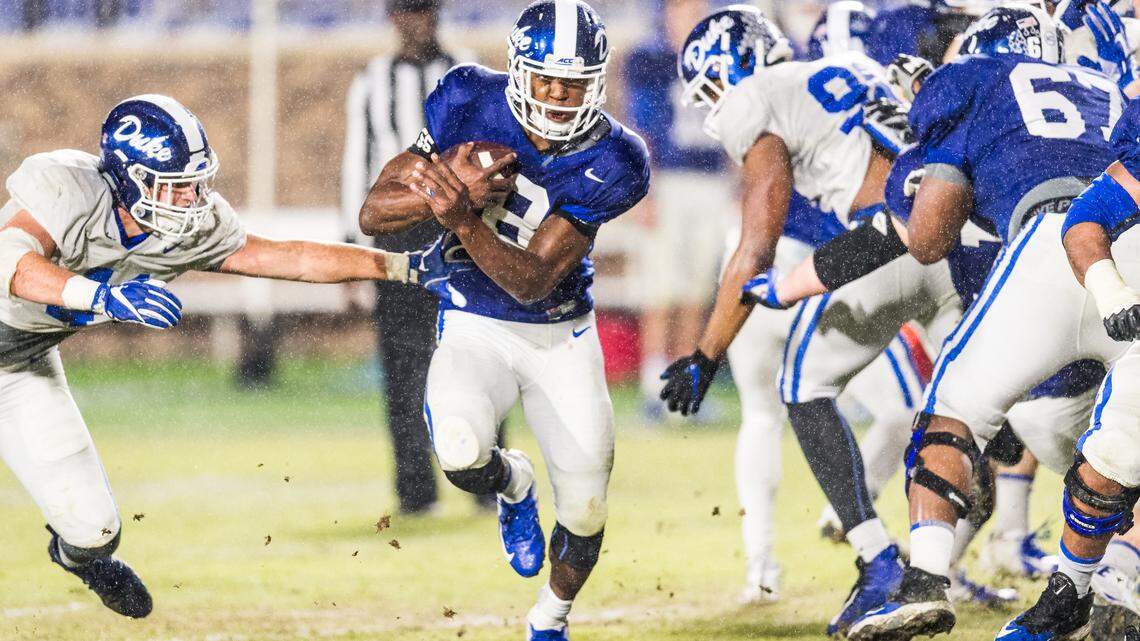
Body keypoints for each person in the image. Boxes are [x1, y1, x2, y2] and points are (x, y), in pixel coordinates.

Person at [0, 94, 445, 618]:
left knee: (95, 532)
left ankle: (79, 561)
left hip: (17, 367)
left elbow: (290, 258)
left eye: (195, 182)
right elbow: (9, 259)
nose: (191, 200)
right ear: (127, 177)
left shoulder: (187, 229)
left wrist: (403, 266)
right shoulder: (68, 186)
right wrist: (97, 295)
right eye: (175, 185)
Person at [795, 5, 1122, 639]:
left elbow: (923, 238)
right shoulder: (1107, 89)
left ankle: (924, 581)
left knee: (950, 415)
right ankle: (1112, 586)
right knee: (1122, 454)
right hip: (1127, 255)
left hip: (1052, 250)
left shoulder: (971, 83)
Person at [664, 5, 962, 634]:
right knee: (977, 404)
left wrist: (705, 353)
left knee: (801, 388)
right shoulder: (851, 66)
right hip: (956, 235)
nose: (715, 107)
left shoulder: (758, 98)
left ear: (736, 67)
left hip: (889, 242)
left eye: (713, 87)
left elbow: (757, 244)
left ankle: (879, 564)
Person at [356, 2, 650, 639]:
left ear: (596, 81)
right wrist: (439, 194)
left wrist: (460, 217)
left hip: (559, 332)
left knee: (587, 508)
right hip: (472, 321)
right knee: (460, 452)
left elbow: (533, 278)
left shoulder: (617, 159)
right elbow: (375, 213)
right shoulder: (466, 99)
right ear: (519, 70)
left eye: (572, 83)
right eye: (545, 79)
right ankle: (511, 481)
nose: (557, 95)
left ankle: (550, 619)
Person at [342, 0, 494, 515]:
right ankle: (415, 490)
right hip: (397, 233)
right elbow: (356, 162)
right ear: (392, 18)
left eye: (424, 10)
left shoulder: (468, 72)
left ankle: (486, 479)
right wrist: (351, 250)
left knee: (480, 354)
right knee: (404, 367)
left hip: (461, 228)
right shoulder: (371, 80)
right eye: (407, 11)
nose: (416, 22)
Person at [622, 0, 733, 422]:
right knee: (660, 288)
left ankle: (683, 389)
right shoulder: (650, 59)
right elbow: (640, 131)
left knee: (697, 291)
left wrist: (738, 182)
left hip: (711, 183)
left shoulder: (719, 60)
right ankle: (654, 387)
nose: (692, 17)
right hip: (667, 182)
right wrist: (643, 192)